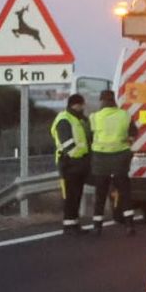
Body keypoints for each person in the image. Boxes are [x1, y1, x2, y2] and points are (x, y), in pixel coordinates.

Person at [88, 89, 139, 235]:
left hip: (100, 158)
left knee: (100, 194)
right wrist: (127, 143)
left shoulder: (94, 117)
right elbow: (133, 133)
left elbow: (89, 136)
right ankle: (129, 225)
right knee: (124, 192)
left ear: (101, 101)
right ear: (113, 100)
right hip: (120, 157)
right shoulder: (124, 115)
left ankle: (97, 226)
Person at [49, 93, 91, 236]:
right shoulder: (64, 119)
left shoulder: (77, 119)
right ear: (76, 105)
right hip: (69, 163)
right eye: (81, 105)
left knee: (77, 194)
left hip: (78, 163)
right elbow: (67, 143)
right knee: (70, 195)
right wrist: (77, 157)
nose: (83, 107)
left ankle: (74, 223)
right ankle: (68, 225)